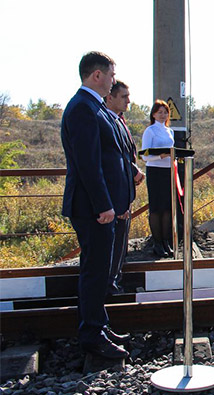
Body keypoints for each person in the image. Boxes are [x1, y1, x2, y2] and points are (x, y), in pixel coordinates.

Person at [60, 51, 130, 359]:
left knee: (100, 270)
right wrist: (104, 205)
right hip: (92, 209)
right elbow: (88, 164)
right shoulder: (83, 109)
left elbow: (109, 156)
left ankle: (99, 325)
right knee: (94, 271)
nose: (114, 81)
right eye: (112, 75)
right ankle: (91, 333)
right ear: (97, 76)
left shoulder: (94, 107)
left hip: (101, 207)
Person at [104, 80, 145, 294]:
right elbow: (112, 157)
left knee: (120, 243)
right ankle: (108, 286)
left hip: (123, 192)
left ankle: (114, 280)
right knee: (111, 244)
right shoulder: (105, 122)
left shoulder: (119, 121)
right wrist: (132, 171)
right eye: (124, 96)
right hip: (113, 195)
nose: (129, 100)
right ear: (110, 98)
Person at [141, 99, 176, 257]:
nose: (163, 115)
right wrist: (159, 156)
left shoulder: (170, 131)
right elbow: (145, 156)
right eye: (159, 112)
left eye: (165, 112)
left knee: (167, 208)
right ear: (154, 114)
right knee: (156, 208)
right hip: (155, 171)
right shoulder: (150, 131)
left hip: (168, 170)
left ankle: (165, 241)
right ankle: (157, 242)